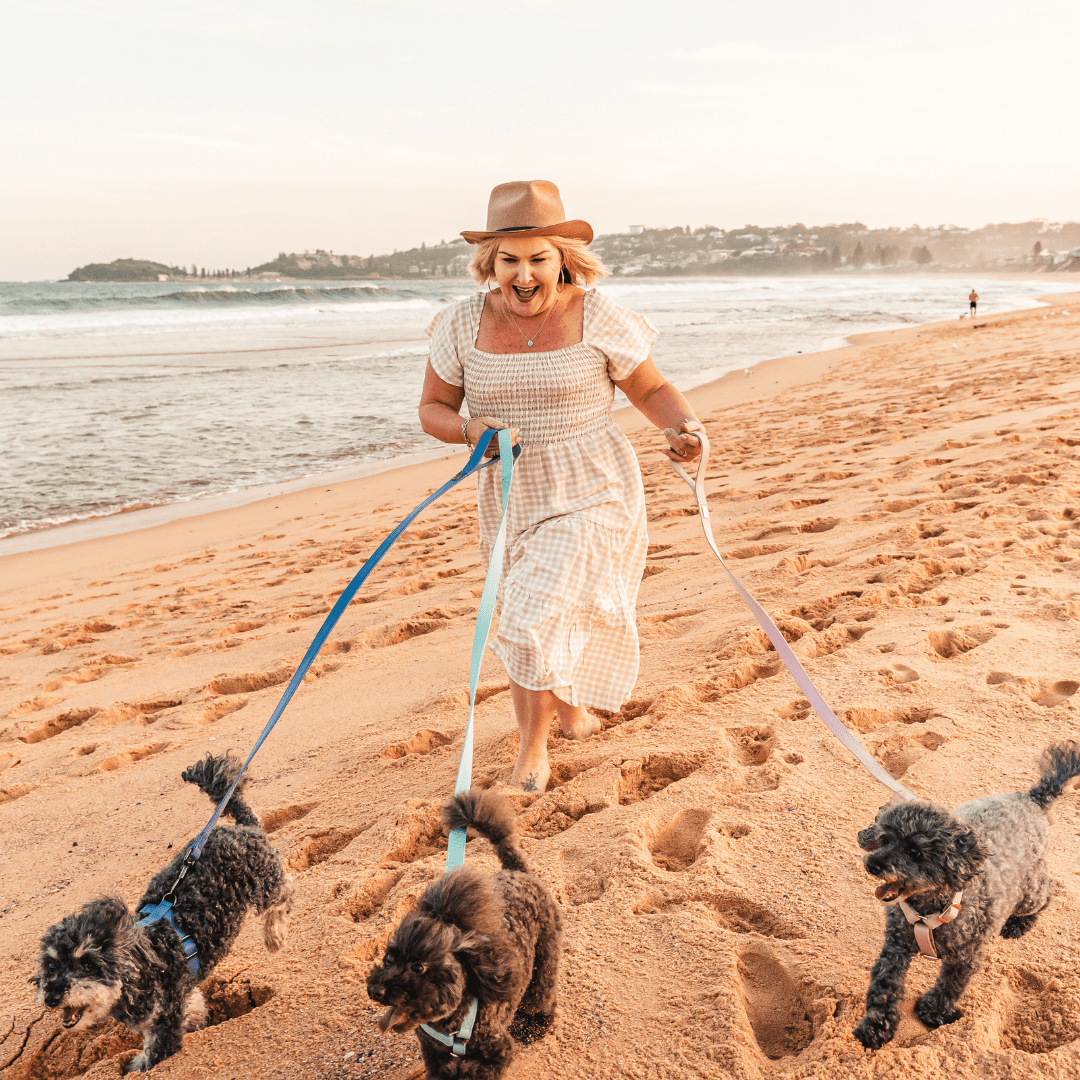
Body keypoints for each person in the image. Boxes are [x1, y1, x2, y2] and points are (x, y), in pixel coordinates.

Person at [418, 180, 703, 792]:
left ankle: (532, 751)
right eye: (510, 260)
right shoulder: (461, 323)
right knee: (544, 609)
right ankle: (573, 710)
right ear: (490, 262)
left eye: (538, 259)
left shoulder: (597, 315)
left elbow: (651, 389)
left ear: (562, 260)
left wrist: (686, 429)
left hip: (594, 485)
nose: (524, 276)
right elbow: (433, 409)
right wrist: (470, 430)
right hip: (510, 494)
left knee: (527, 617)